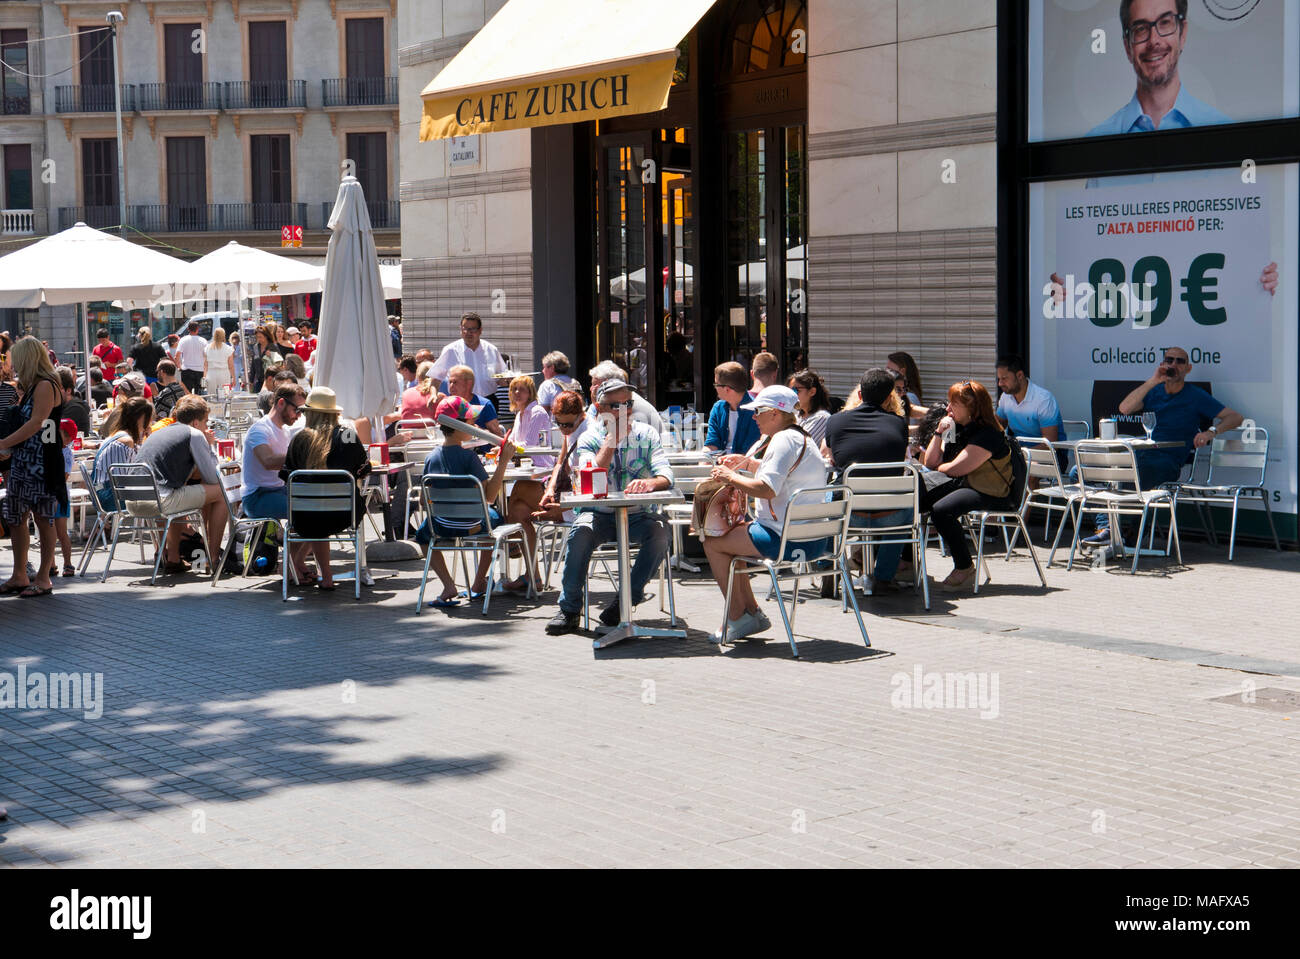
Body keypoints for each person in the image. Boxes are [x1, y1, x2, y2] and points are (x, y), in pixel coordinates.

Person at [1081, 345, 1243, 548]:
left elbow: (1235, 417)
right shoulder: (1154, 390)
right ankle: (1108, 530)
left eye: (1179, 361)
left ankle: (1123, 531)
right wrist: (1153, 380)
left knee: (1134, 476)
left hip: (1168, 460)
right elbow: (1124, 408)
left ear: (1188, 368)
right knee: (1082, 471)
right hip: (1143, 453)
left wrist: (1211, 432)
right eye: (1169, 360)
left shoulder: (1195, 395)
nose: (1173, 365)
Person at [546, 378, 673, 635]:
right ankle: (569, 609)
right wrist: (613, 439)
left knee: (661, 532)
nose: (623, 411)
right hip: (600, 514)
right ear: (599, 407)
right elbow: (590, 478)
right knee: (580, 533)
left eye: (628, 404)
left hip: (637, 515)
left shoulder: (646, 434)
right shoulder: (589, 437)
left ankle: (625, 601)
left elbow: (666, 475)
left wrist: (649, 483)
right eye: (616, 406)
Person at [702, 385, 830, 641]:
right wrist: (749, 464)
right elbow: (786, 473)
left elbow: (767, 489)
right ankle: (750, 613)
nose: (754, 416)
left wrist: (730, 477)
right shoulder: (799, 437)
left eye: (759, 411)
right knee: (732, 543)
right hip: (814, 538)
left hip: (787, 539)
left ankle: (739, 617)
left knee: (713, 542)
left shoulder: (782, 440)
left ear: (775, 413)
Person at [417, 395, 517, 607]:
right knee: (495, 518)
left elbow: (423, 503)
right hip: (473, 526)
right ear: (457, 425)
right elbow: (489, 497)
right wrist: (504, 462)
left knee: (422, 536)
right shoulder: (469, 457)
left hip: (441, 526)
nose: (475, 425)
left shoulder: (430, 458)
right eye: (471, 422)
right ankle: (479, 582)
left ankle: (448, 584)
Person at [920, 380, 1017, 591]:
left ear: (972, 408)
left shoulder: (988, 434)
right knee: (916, 498)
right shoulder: (955, 427)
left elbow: (956, 468)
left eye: (953, 404)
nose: (948, 409)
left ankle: (964, 567)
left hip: (990, 491)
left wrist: (940, 468)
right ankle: (907, 563)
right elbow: (930, 462)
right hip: (963, 484)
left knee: (941, 511)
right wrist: (938, 433)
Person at [824, 368, 912, 590]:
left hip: (848, 515)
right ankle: (883, 576)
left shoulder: (835, 421)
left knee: (826, 499)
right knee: (908, 503)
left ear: (860, 395)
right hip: (890, 515)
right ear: (889, 398)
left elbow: (834, 459)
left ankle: (828, 569)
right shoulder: (899, 423)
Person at [1087, 0, 1229, 137]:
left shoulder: (1225, 132)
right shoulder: (1093, 143)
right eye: (1141, 29)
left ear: (1182, 34)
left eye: (1165, 22)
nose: (1154, 41)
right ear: (1127, 47)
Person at [280, 387, 370, 591]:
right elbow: (364, 468)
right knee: (323, 512)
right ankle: (322, 574)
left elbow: (287, 476)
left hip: (304, 515)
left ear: (310, 413)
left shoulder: (300, 439)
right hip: (344, 514)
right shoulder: (347, 435)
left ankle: (316, 572)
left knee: (316, 513)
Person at [0, 337, 67, 597]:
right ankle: (19, 575)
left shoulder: (45, 385)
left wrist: (4, 443)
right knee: (16, 517)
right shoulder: (30, 387)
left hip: (41, 462)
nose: (12, 364)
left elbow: (37, 423)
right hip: (25, 460)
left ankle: (43, 577)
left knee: (42, 518)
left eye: (15, 359)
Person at [130, 395, 227, 574]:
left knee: (178, 490)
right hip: (160, 500)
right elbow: (213, 478)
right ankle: (213, 559)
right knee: (222, 493)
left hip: (132, 500)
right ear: (196, 423)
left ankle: (173, 558)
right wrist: (210, 445)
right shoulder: (195, 434)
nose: (207, 426)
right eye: (206, 421)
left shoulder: (160, 432)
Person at [501, 375, 554, 591]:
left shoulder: (537, 411)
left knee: (513, 507)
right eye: (514, 389)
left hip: (541, 476)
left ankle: (511, 540)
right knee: (518, 513)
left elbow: (529, 444)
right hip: (526, 473)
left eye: (521, 389)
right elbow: (514, 442)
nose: (517, 393)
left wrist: (507, 448)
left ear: (530, 392)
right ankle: (533, 575)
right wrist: (505, 447)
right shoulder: (520, 414)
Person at [533, 389, 589, 525]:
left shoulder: (588, 433)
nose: (564, 429)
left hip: (581, 504)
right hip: (567, 494)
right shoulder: (570, 432)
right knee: (520, 492)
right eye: (559, 424)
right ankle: (515, 546)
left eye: (568, 425)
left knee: (521, 508)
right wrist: (550, 490)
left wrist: (565, 507)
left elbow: (589, 484)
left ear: (581, 415)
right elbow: (560, 463)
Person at [91, 396, 153, 511]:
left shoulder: (117, 435)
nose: (150, 423)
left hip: (103, 494)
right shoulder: (126, 441)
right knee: (163, 498)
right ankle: (171, 528)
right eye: (148, 418)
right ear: (140, 418)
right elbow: (129, 478)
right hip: (112, 498)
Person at [430, 311, 508, 392]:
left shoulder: (492, 350)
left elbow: (501, 378)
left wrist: (508, 380)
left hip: (488, 399)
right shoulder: (450, 350)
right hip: (460, 401)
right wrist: (433, 395)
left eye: (473, 329)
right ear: (460, 329)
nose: (468, 332)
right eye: (465, 328)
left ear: (480, 330)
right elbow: (436, 378)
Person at [994, 355, 1065, 442]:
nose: (1000, 383)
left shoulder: (1043, 399)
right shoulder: (1006, 396)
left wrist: (1020, 454)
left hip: (1048, 454)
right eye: (999, 379)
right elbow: (998, 426)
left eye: (1004, 378)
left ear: (1020, 375)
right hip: (1020, 451)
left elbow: (1050, 444)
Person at [586, 360, 662, 434]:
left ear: (608, 383)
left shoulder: (634, 411)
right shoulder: (600, 403)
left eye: (594, 384)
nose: (591, 388)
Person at [705, 361, 760, 454]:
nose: (715, 388)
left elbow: (750, 452)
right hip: (719, 464)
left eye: (716, 384)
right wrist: (703, 464)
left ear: (727, 389)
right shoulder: (718, 408)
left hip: (743, 465)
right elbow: (711, 444)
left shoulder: (755, 410)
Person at [47, 419, 77, 579]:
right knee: (48, 532)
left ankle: (68, 563)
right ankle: (50, 564)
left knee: (61, 532)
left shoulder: (66, 453)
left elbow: (63, 476)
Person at [445, 364, 503, 437]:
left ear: (469, 383)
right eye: (450, 382)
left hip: (481, 447)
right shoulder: (446, 404)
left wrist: (478, 431)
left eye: (455, 382)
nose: (451, 386)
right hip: (455, 447)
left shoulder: (484, 404)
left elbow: (498, 436)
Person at [789, 369, 832, 447]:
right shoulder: (796, 414)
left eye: (796, 390)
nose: (792, 395)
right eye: (790, 391)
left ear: (812, 392)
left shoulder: (822, 417)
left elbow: (799, 446)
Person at [56, 366, 91, 436]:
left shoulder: (74, 408)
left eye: (58, 388)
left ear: (68, 390)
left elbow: (52, 436)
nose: (54, 391)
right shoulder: (64, 406)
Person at [176, 320, 207, 394]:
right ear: (198, 329)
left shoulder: (183, 340)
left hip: (187, 370)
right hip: (200, 370)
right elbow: (206, 358)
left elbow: (177, 356)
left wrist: (179, 367)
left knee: (187, 393)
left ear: (188, 329)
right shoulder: (203, 341)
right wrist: (205, 372)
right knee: (199, 393)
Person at [204, 327, 236, 394]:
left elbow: (205, 364)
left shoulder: (207, 348)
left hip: (211, 373)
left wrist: (204, 376)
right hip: (224, 374)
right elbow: (231, 366)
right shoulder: (228, 348)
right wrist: (233, 378)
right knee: (225, 394)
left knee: (211, 396)